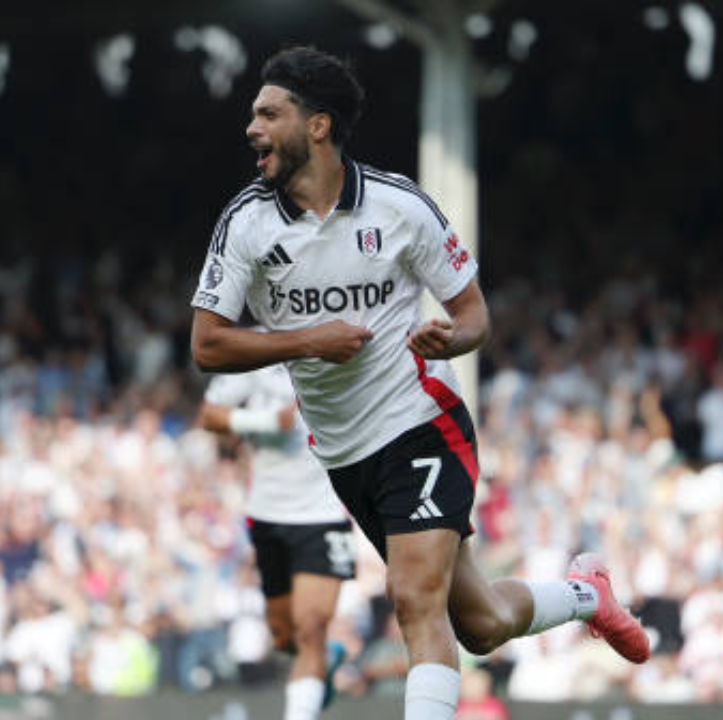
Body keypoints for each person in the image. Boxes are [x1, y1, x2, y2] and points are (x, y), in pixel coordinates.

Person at [189, 47, 648, 720]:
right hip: (343, 451)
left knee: (412, 598)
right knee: (481, 624)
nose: (251, 127)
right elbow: (207, 345)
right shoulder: (245, 224)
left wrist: (451, 339)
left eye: (268, 114)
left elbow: (474, 316)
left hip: (420, 421)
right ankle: (587, 595)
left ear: (317, 125)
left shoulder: (399, 206)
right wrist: (309, 341)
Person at [199, 363, 354, 719]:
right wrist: (265, 421)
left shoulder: (338, 347)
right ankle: (324, 659)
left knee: (311, 626)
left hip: (326, 512)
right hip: (269, 515)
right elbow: (209, 415)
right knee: (284, 637)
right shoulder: (255, 356)